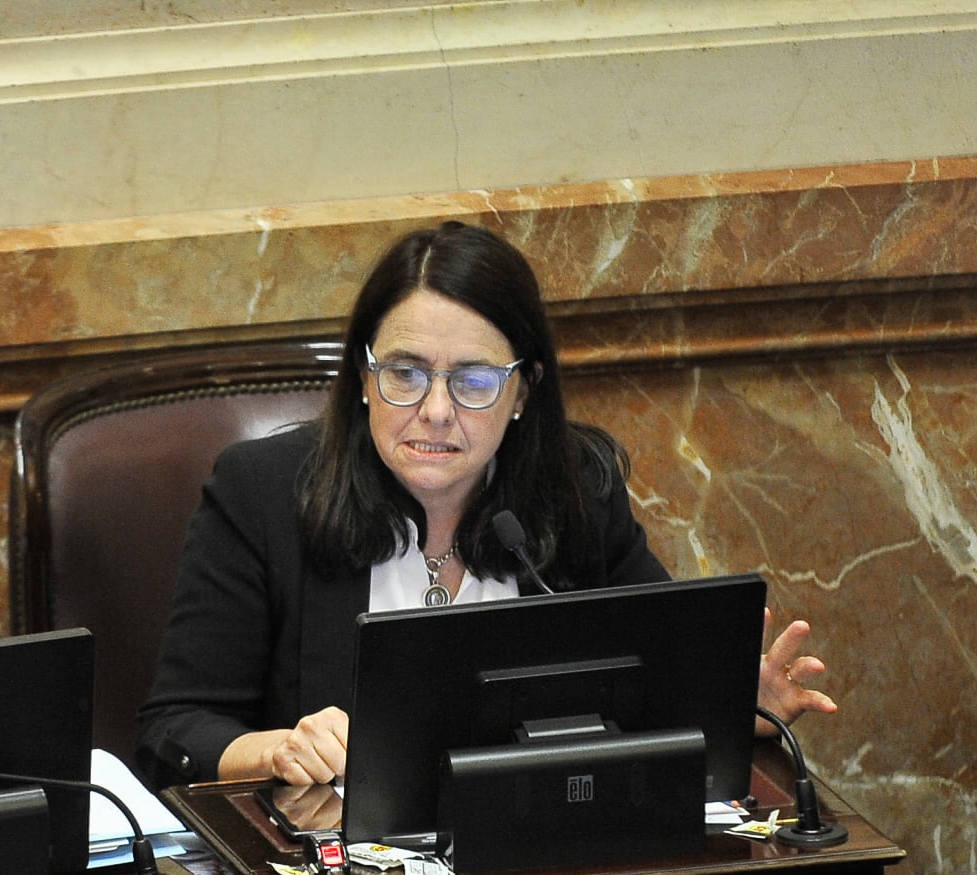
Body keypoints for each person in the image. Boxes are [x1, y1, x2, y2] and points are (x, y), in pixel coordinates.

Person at [136, 221, 834, 790]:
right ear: (364, 378)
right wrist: (278, 749)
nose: (436, 410)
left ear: (523, 391)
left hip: (532, 856)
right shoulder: (262, 493)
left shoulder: (576, 495)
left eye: (473, 381)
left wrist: (729, 705)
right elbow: (175, 730)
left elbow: (651, 687)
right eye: (405, 373)